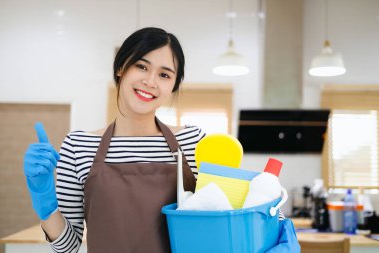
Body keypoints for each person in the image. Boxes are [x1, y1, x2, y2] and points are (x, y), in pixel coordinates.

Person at [23, 27, 300, 252]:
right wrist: (46, 203)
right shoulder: (79, 146)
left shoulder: (194, 142)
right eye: (141, 67)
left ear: (172, 87)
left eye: (164, 74)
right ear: (121, 68)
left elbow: (227, 221)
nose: (150, 81)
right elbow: (69, 247)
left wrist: (270, 230)